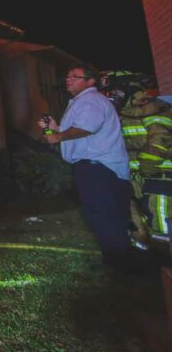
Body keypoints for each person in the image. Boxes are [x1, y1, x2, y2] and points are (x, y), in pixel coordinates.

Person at [39, 64, 137, 270]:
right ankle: (120, 259)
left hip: (98, 168)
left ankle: (119, 264)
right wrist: (53, 128)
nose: (68, 79)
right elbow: (75, 130)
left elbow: (85, 128)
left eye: (75, 76)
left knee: (104, 216)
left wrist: (57, 135)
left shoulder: (90, 100)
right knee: (107, 216)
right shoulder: (81, 102)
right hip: (97, 168)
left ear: (90, 81)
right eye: (67, 76)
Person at [99, 71, 172, 250]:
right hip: (139, 177)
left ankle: (165, 259)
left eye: (115, 91)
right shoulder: (125, 112)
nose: (112, 96)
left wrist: (147, 166)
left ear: (129, 88)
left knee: (161, 221)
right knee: (143, 218)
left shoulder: (153, 106)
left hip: (159, 175)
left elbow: (161, 137)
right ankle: (154, 260)